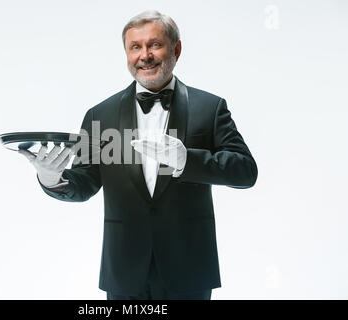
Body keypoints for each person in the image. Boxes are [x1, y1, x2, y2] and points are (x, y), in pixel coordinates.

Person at [19, 10, 258, 300]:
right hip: (124, 272)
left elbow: (246, 171)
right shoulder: (100, 115)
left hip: (189, 270)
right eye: (135, 47)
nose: (145, 55)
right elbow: (85, 182)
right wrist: (52, 178)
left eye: (154, 44)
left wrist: (187, 160)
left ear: (176, 49)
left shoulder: (210, 107)